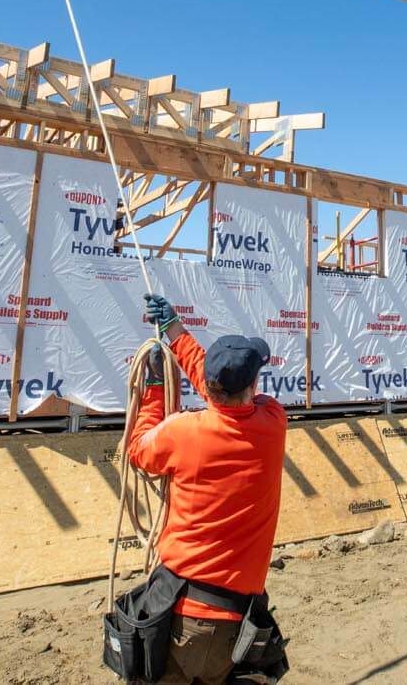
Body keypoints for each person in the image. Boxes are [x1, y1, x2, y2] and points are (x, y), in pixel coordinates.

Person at [124, 293, 288, 685]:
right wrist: (176, 332)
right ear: (252, 386)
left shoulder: (183, 433)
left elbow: (138, 449)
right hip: (235, 621)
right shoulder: (273, 422)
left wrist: (154, 390)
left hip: (180, 613)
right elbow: (224, 394)